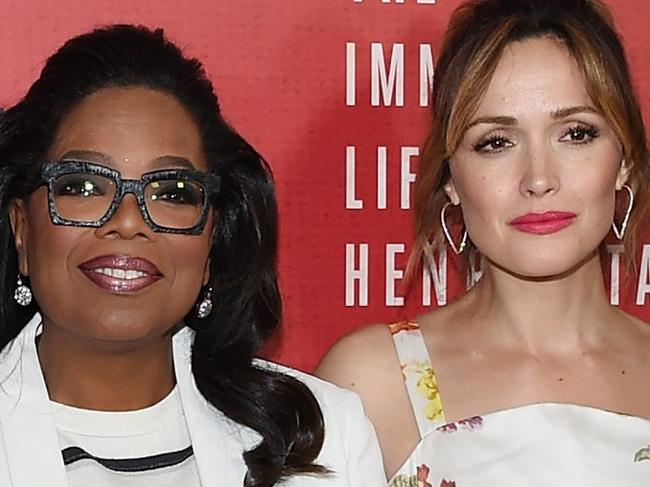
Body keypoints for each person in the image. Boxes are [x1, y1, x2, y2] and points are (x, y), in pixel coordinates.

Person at [0, 25, 385, 487]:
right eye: (83, 185)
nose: (127, 221)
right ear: (22, 228)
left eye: (174, 192)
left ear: (212, 239)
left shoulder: (320, 438)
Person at [317, 0, 650, 485]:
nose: (538, 179)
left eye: (576, 134)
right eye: (496, 142)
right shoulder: (371, 384)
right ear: (450, 177)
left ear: (624, 163)